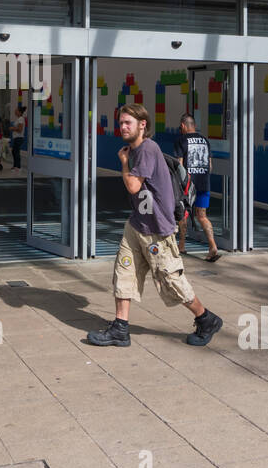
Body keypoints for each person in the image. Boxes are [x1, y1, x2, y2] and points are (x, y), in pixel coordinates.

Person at [87, 104, 222, 348]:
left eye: (128, 122)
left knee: (171, 281)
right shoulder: (136, 149)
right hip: (137, 223)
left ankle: (206, 319)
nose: (123, 127)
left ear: (143, 125)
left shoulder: (147, 149)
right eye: (121, 123)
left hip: (157, 229)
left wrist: (124, 162)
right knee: (124, 273)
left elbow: (133, 186)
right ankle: (120, 328)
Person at [174, 113, 222, 263]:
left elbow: (179, 165)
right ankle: (212, 246)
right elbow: (210, 166)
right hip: (204, 182)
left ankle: (181, 246)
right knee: (202, 216)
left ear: (183, 125)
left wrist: (179, 185)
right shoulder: (205, 141)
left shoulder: (181, 140)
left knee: (183, 215)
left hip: (188, 184)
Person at [11, 104, 26, 170]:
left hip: (19, 138)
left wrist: (12, 128)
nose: (15, 111)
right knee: (14, 151)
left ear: (20, 112)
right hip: (16, 138)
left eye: (16, 111)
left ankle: (18, 166)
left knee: (16, 152)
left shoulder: (21, 119)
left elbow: (20, 130)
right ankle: (15, 165)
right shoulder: (18, 119)